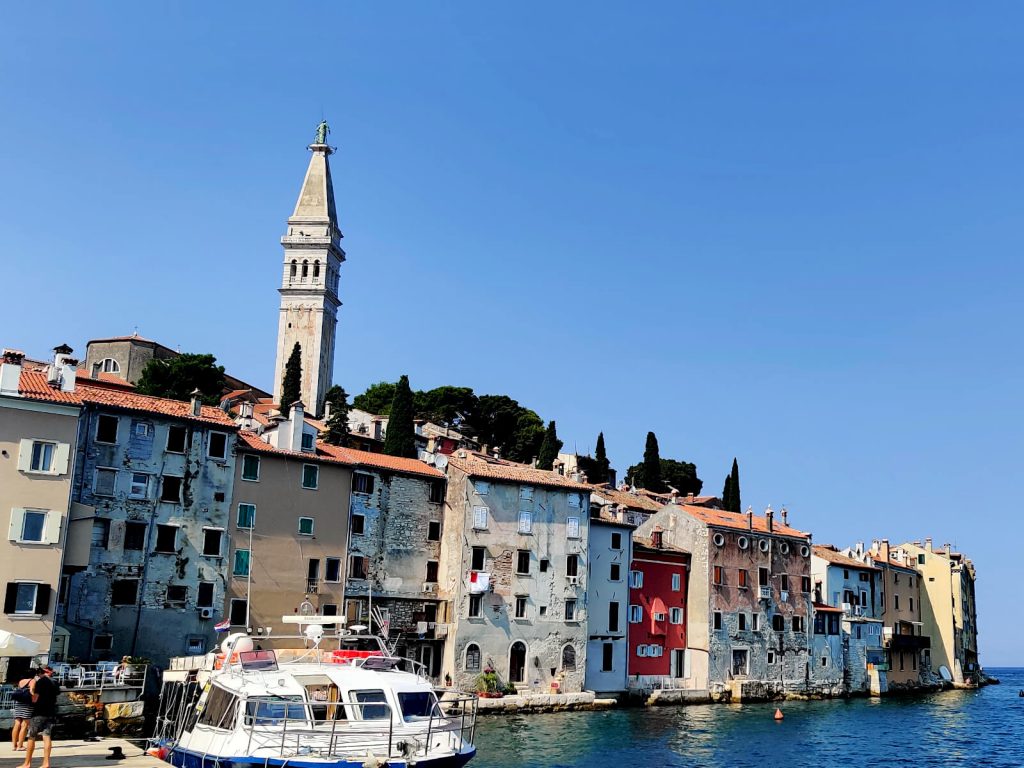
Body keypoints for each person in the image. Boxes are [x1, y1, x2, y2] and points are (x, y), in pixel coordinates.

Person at [19, 666, 59, 768]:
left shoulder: (41, 682)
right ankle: (46, 763)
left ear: (40, 673)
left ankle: (27, 763)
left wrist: (30, 694)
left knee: (31, 737)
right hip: (50, 712)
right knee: (47, 736)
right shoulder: (54, 683)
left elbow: (35, 699)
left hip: (39, 712)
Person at [11, 671, 35, 750]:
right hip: (27, 704)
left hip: (19, 704)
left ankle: (14, 745)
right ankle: (20, 745)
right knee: (24, 725)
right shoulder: (32, 681)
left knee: (17, 724)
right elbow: (31, 691)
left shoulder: (21, 681)